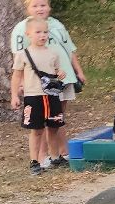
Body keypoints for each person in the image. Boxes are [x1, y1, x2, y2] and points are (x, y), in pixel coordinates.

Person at [9, 0, 84, 168]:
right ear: (28, 8)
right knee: (39, 123)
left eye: (43, 5)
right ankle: (41, 157)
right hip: (37, 85)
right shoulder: (22, 28)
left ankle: (60, 153)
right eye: (35, 6)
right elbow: (19, 58)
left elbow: (69, 49)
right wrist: (20, 83)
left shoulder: (57, 25)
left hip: (61, 80)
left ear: (49, 7)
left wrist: (78, 70)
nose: (40, 9)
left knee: (57, 119)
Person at [10, 18, 73, 175]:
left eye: (45, 32)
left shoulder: (53, 53)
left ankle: (55, 156)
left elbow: (57, 71)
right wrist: (14, 95)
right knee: (36, 130)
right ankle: (34, 161)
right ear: (28, 34)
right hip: (33, 96)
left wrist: (60, 73)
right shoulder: (23, 55)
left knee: (54, 127)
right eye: (38, 32)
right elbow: (16, 76)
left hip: (51, 96)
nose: (42, 35)